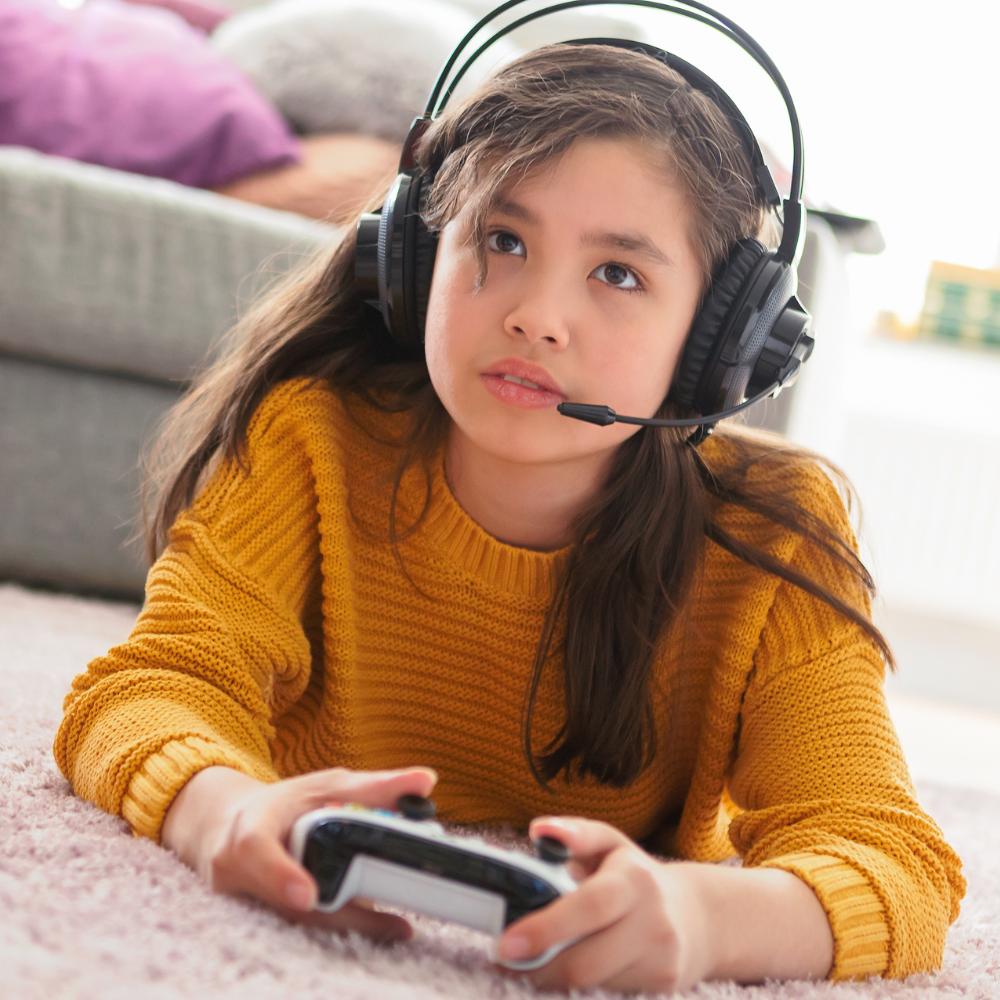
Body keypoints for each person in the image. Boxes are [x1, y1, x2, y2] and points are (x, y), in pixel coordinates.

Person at [54, 41, 964, 993]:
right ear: (415, 255)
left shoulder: (774, 536)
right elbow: (147, 690)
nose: (536, 316)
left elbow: (890, 860)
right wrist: (224, 814)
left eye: (618, 274)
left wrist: (703, 920)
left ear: (715, 345)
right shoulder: (312, 439)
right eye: (502, 241)